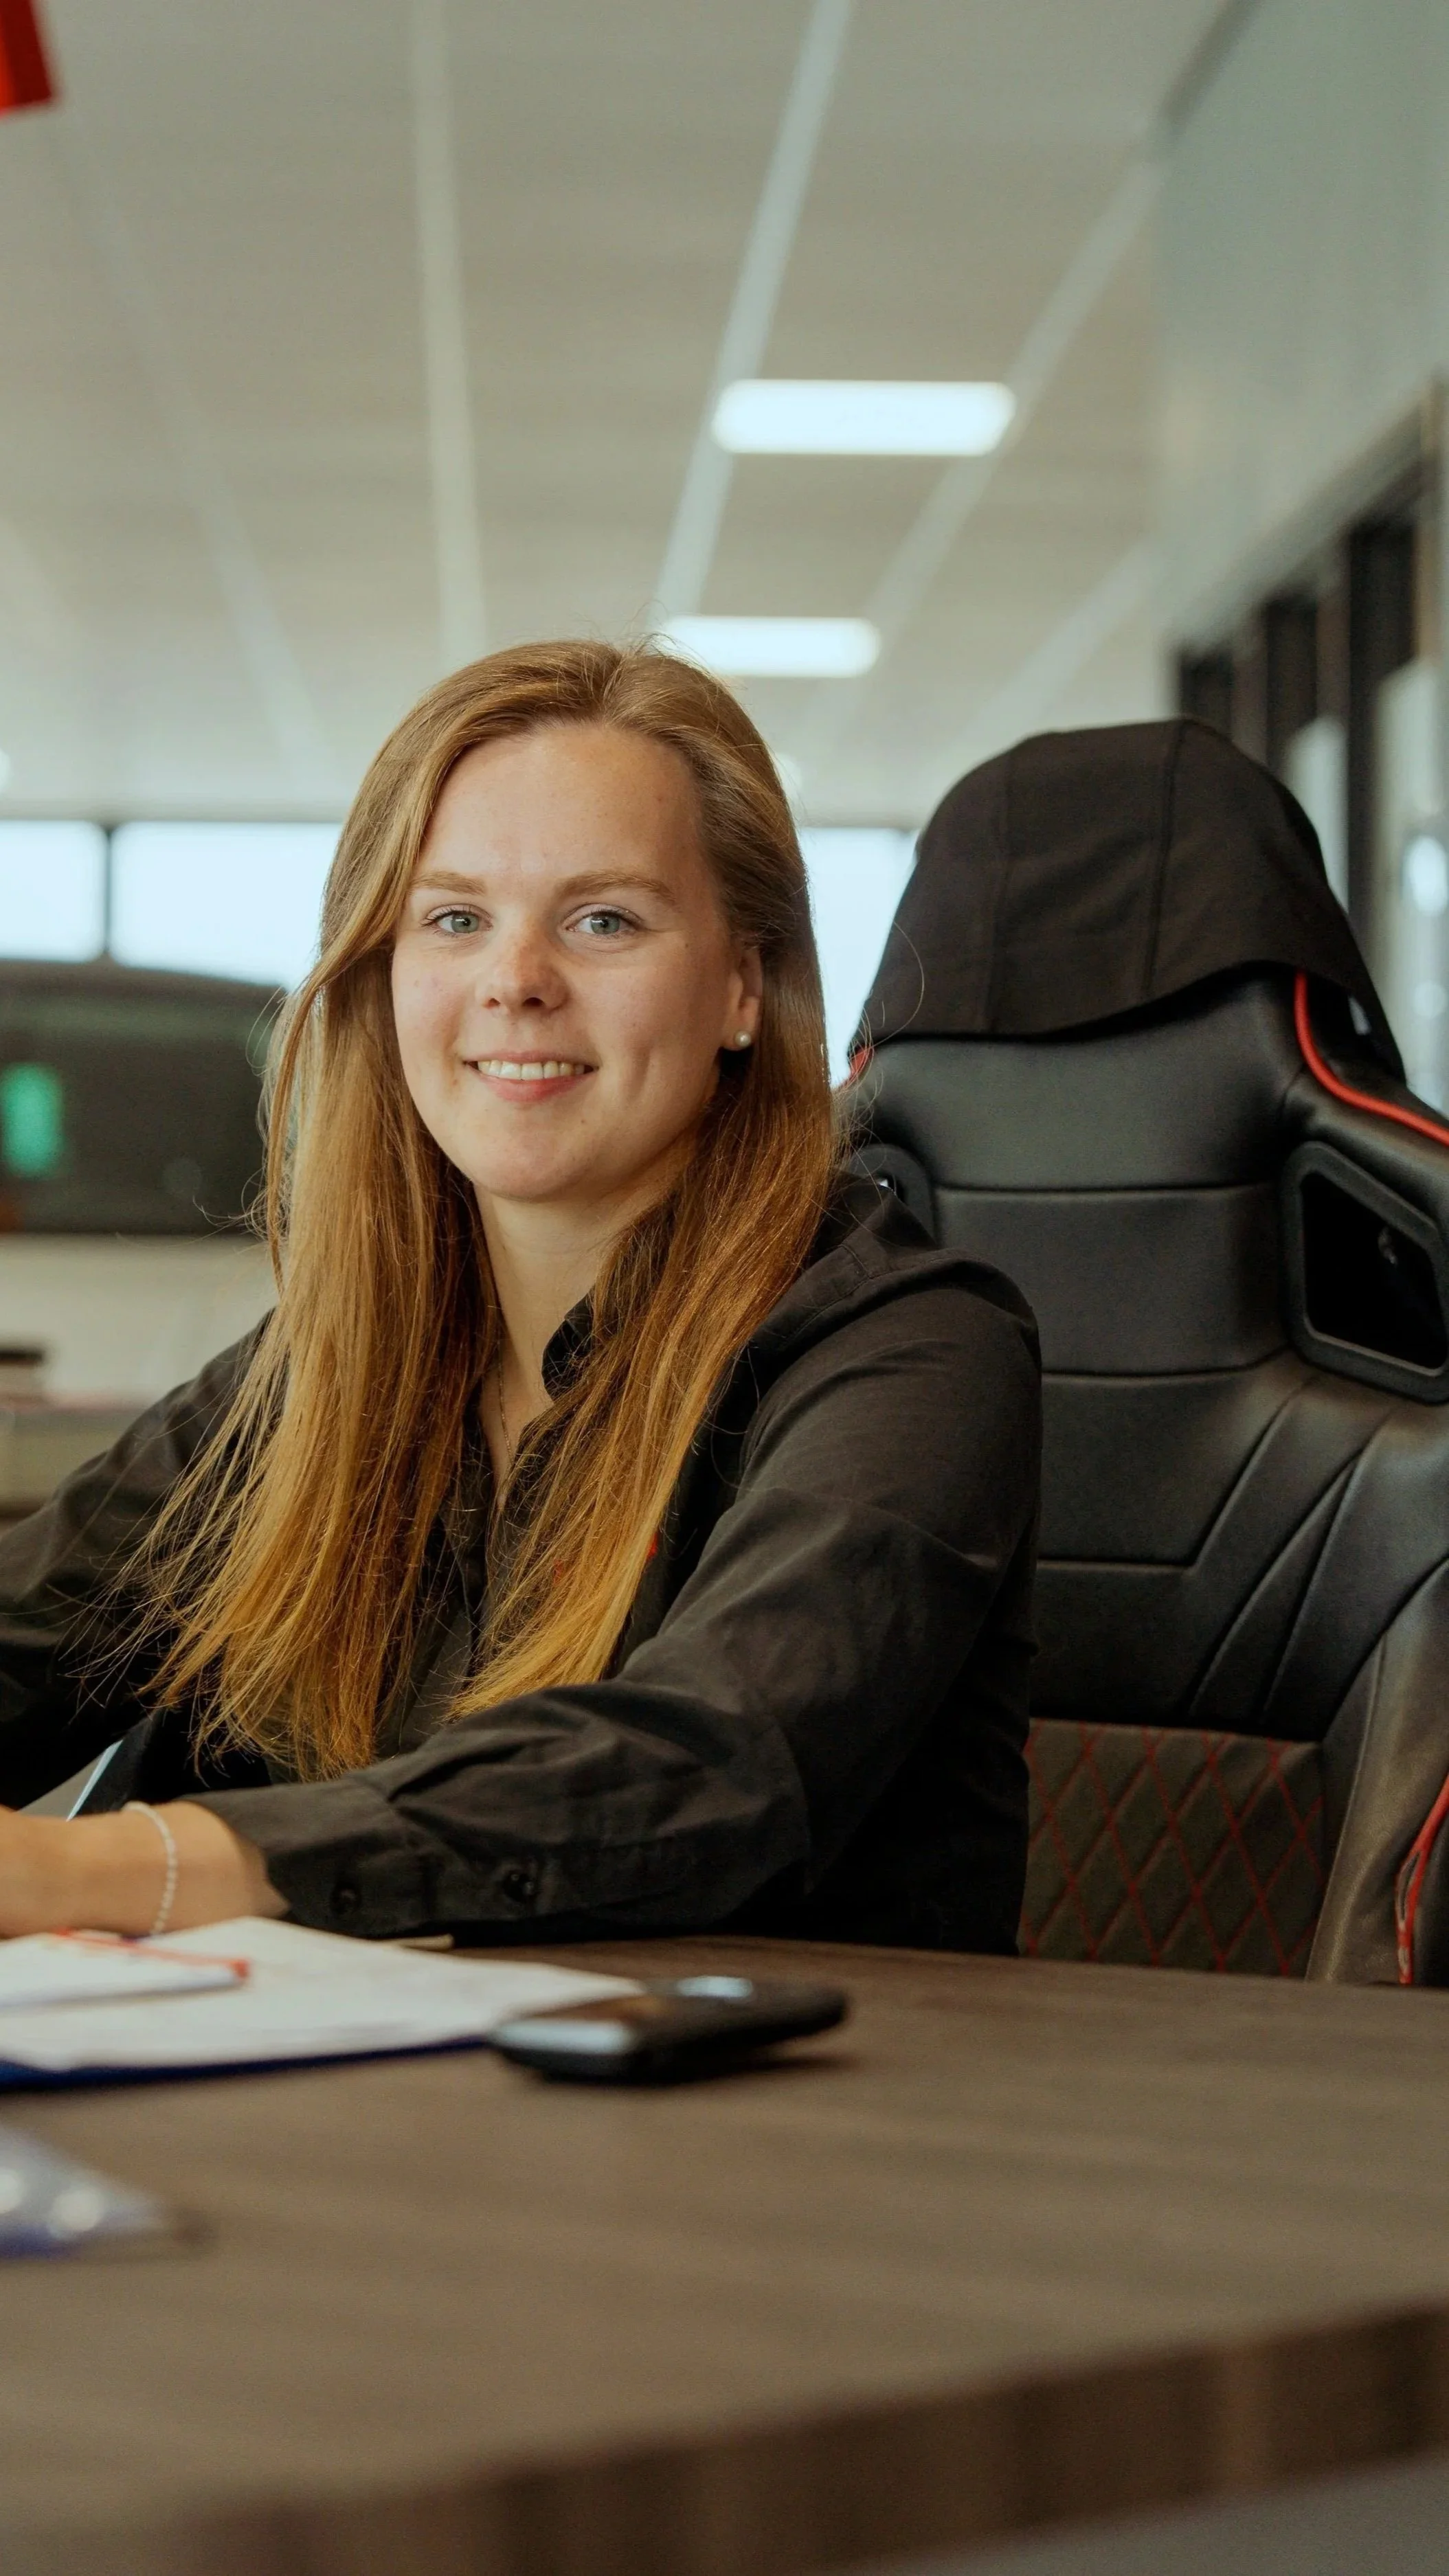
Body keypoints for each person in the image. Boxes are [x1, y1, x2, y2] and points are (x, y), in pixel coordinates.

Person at [0, 642, 1040, 1952]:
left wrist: (104, 1874)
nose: (516, 978)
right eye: (453, 918)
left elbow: (710, 1758)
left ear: (740, 986)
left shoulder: (912, 1351)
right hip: (364, 2107)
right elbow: (32, 1628)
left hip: (765, 2127)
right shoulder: (332, 1372)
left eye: (604, 919)